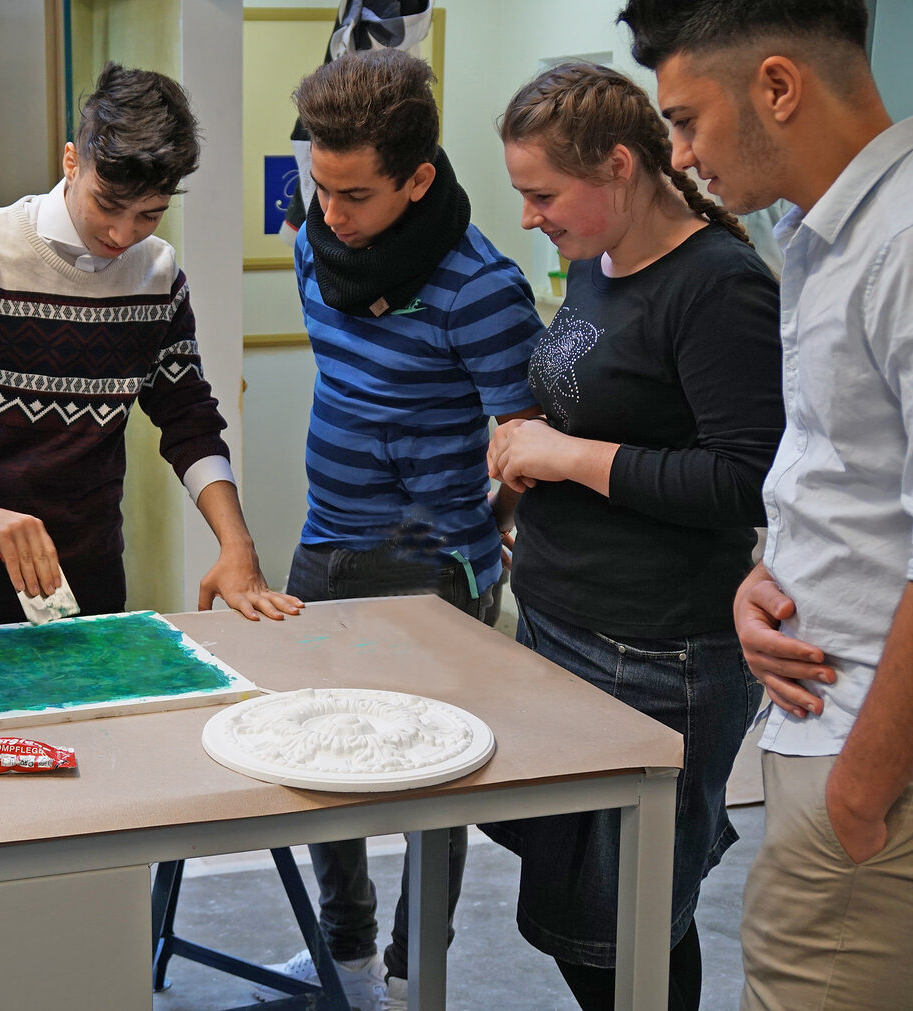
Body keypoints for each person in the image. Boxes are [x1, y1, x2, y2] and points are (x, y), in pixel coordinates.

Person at [618, 2, 913, 1006]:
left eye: (687, 119)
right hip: (823, 727)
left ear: (776, 87)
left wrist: (860, 794)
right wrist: (768, 572)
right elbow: (850, 479)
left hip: (869, 749)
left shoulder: (901, 243)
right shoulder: (823, 237)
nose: (678, 153)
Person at [483, 61, 783, 1010]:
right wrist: (524, 461)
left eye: (542, 193)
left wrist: (566, 457)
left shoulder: (720, 287)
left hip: (657, 650)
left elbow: (741, 481)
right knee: (585, 917)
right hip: (563, 625)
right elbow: (605, 404)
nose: (530, 216)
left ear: (619, 166)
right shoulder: (595, 260)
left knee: (630, 930)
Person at [257, 50, 545, 1011]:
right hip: (322, 542)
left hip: (431, 563)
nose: (330, 213)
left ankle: (413, 973)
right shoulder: (311, 241)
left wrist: (484, 530)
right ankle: (344, 956)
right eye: (321, 187)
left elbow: (525, 444)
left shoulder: (483, 288)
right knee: (311, 755)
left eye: (357, 193)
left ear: (419, 181)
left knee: (431, 782)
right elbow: (348, 372)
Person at [0, 62, 301, 632]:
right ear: (71, 161)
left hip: (93, 582)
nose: (122, 235)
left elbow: (188, 418)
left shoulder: (156, 278)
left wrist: (238, 546)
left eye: (149, 215)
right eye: (108, 205)